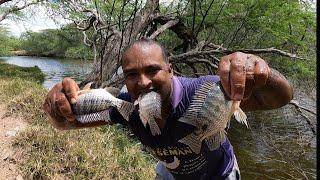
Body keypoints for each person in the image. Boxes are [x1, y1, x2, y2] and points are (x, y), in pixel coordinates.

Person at [43, 38, 293, 179]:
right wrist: (58, 110)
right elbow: (69, 124)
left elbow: (278, 99)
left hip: (220, 174)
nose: (142, 82)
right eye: (132, 75)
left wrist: (263, 74)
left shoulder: (204, 92)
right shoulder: (125, 106)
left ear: (170, 70)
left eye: (152, 70)